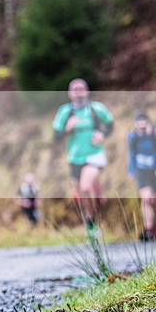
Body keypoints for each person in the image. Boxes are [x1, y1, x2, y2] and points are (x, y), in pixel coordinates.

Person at [52, 78, 114, 237]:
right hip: (74, 158)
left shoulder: (96, 109)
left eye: (81, 88)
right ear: (69, 93)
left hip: (94, 155)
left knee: (85, 187)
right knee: (80, 193)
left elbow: (110, 125)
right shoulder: (65, 112)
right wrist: (67, 128)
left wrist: (102, 134)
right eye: (75, 89)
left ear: (87, 91)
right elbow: (56, 135)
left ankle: (92, 220)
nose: (78, 92)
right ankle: (90, 221)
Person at [127, 112, 156, 241]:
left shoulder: (153, 134)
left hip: (153, 170)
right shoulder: (133, 136)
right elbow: (131, 153)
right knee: (146, 199)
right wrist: (131, 170)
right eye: (139, 121)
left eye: (144, 121)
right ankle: (149, 229)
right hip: (141, 171)